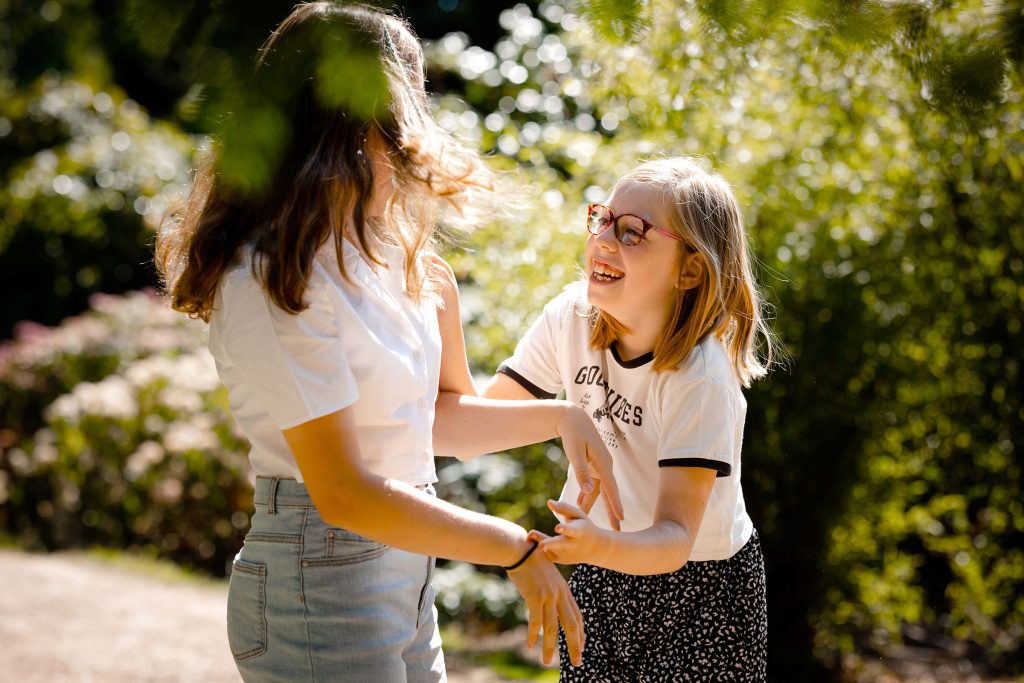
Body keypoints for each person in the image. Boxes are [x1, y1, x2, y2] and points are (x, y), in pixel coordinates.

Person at [155, 3, 623, 681]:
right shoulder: (271, 279)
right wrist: (514, 549)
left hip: (406, 568)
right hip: (321, 574)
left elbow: (439, 420)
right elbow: (343, 491)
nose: (413, 151)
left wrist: (562, 416)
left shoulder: (408, 265)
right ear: (342, 129)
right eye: (398, 130)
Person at [482, 157, 777, 681]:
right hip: (605, 570)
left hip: (703, 592)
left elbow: (674, 539)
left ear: (690, 269)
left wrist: (597, 544)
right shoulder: (567, 318)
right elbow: (482, 422)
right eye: (602, 219)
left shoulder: (700, 377)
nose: (603, 240)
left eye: (633, 232)